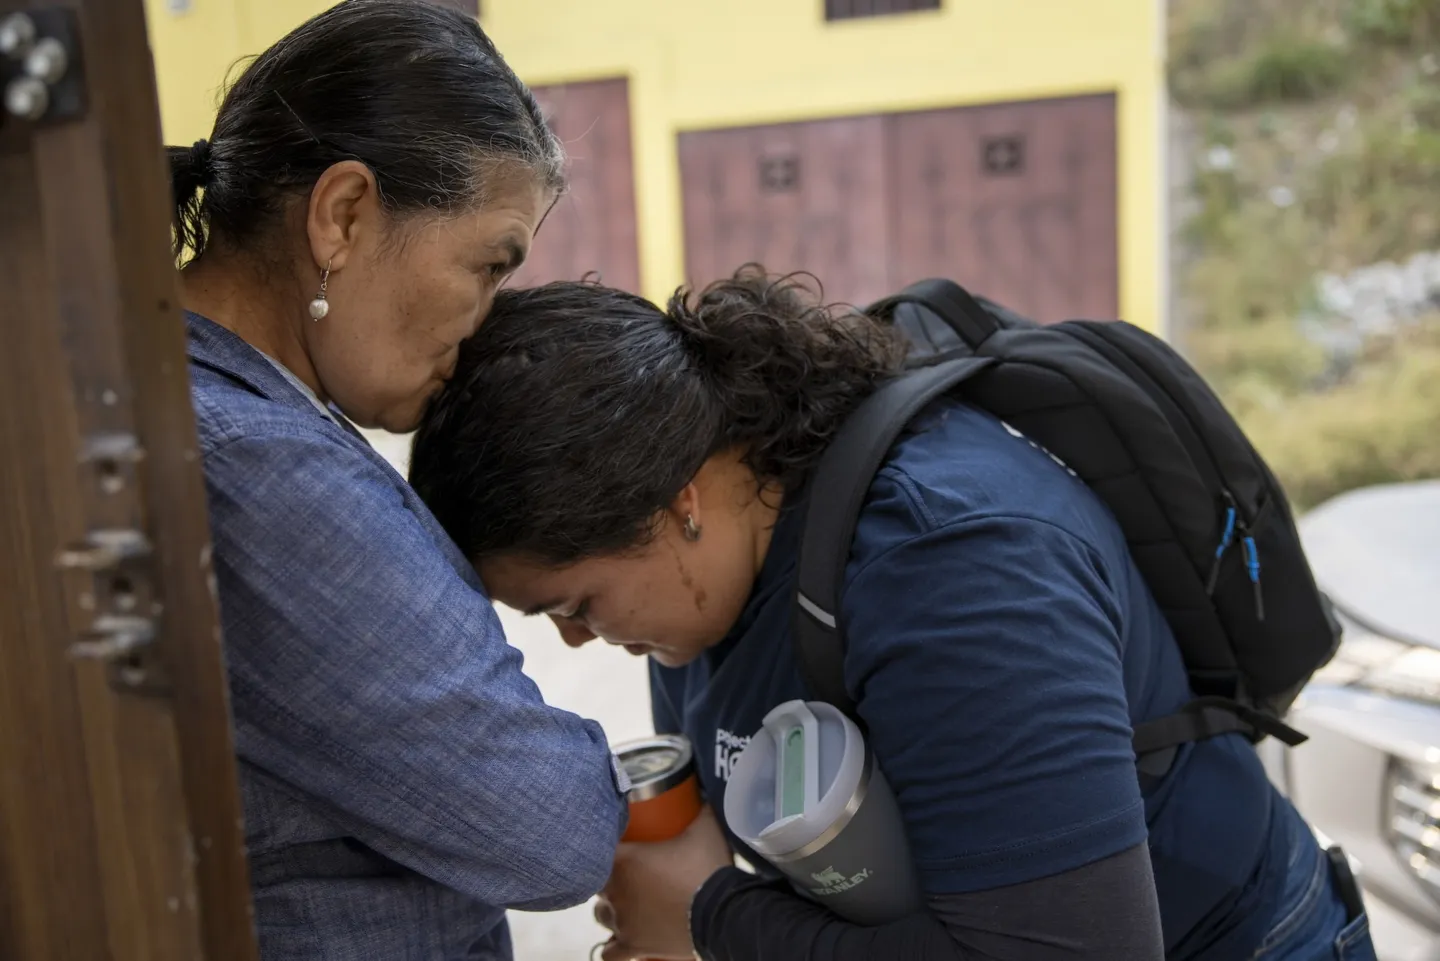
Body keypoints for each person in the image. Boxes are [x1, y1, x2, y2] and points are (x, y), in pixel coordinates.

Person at [409, 269, 1379, 961]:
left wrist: (711, 918)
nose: (578, 639)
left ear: (675, 500)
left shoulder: (950, 568)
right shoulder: (705, 583)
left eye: (575, 603)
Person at [171, 3, 628, 957]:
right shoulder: (255, 464)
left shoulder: (213, 405)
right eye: (489, 265)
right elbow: (549, 828)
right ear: (343, 216)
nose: (483, 321)